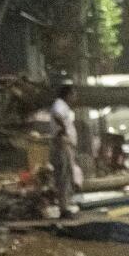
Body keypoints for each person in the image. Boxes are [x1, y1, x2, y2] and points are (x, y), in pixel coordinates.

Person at [49, 82, 80, 216]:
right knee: (63, 175)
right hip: (62, 144)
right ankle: (63, 208)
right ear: (67, 95)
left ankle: (65, 205)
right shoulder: (59, 105)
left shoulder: (64, 106)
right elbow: (57, 115)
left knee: (67, 175)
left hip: (66, 144)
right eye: (73, 94)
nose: (75, 97)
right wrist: (63, 131)